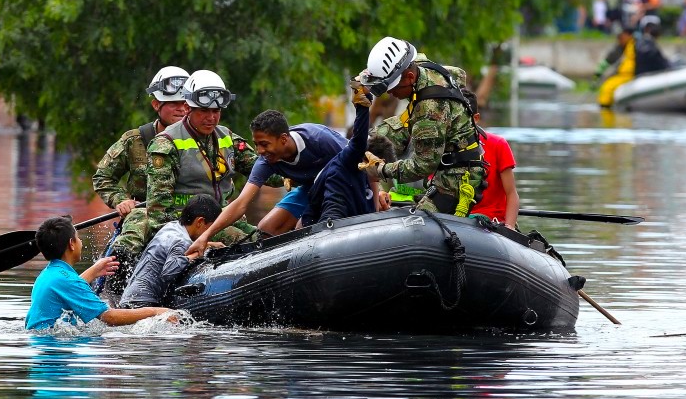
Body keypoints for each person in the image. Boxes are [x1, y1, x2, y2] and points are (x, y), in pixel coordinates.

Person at [185, 109, 349, 255]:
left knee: (303, 228)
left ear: (283, 139)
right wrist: (205, 236)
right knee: (266, 230)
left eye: (264, 144)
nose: (259, 151)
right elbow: (241, 203)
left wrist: (374, 203)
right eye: (256, 145)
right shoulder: (265, 161)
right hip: (309, 191)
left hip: (341, 187)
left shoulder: (319, 139)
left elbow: (360, 163)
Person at [357, 37, 485, 215]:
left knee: (420, 222)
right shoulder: (418, 64)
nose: (390, 93)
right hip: (437, 137)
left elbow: (423, 166)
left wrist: (381, 170)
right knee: (369, 141)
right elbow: (459, 74)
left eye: (393, 87)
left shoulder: (430, 109)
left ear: (410, 77)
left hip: (459, 173)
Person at [93, 66, 190, 292]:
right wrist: (120, 200)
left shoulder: (205, 138)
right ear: (156, 104)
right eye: (173, 103)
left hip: (191, 210)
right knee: (131, 235)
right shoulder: (134, 140)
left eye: (186, 103)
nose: (181, 109)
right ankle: (118, 294)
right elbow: (103, 176)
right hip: (146, 211)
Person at [145, 69, 266, 247]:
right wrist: (187, 243)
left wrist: (295, 168)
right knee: (241, 240)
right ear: (187, 108)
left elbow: (264, 170)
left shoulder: (227, 137)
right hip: (188, 225)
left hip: (223, 216)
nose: (211, 118)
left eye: (216, 111)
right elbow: (158, 213)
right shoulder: (165, 144)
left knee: (264, 237)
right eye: (204, 111)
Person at [25, 215, 172, 330]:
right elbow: (109, 317)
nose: (80, 242)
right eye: (77, 238)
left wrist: (94, 271)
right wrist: (155, 312)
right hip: (54, 348)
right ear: (71, 244)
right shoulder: (65, 280)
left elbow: (70, 289)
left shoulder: (49, 274)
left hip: (44, 346)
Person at [301, 81, 397, 226]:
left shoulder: (369, 182)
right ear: (370, 159)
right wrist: (362, 102)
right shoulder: (349, 161)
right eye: (379, 175)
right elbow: (359, 139)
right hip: (327, 221)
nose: (379, 180)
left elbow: (371, 215)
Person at [119, 194, 222, 309]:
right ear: (200, 222)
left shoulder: (171, 227)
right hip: (142, 303)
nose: (212, 234)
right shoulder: (182, 241)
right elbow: (169, 271)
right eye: (211, 227)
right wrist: (197, 253)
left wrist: (207, 244)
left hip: (130, 298)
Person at [463, 90, 519, 229]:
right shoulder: (442, 147)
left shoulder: (498, 144)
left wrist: (510, 227)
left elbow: (511, 193)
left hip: (491, 222)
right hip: (455, 220)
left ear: (475, 118)